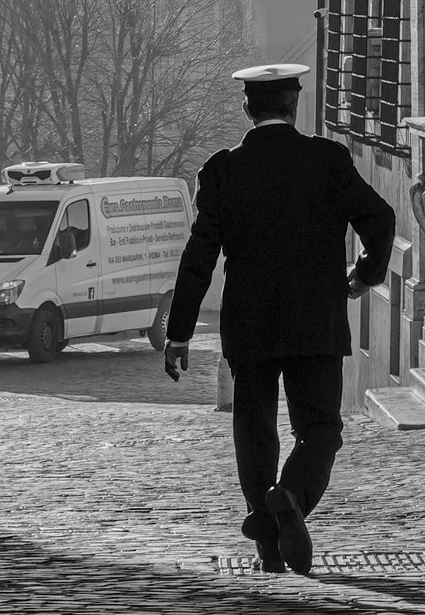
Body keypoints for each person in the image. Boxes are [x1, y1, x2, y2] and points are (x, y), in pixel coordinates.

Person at [162, 61, 397, 575]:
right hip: (317, 319)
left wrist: (179, 332)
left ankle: (266, 539)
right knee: (320, 430)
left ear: (247, 108)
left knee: (254, 429)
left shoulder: (222, 170)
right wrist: (364, 275)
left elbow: (198, 257)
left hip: (250, 325)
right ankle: (289, 495)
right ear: (295, 105)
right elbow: (380, 218)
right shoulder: (328, 160)